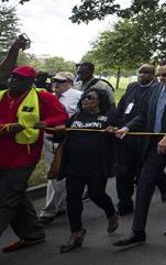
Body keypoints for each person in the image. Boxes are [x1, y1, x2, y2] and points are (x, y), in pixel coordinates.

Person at [113, 58, 166, 248]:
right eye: (158, 75)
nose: (161, 78)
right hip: (154, 145)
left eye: (165, 75)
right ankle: (138, 232)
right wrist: (128, 127)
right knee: (144, 184)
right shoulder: (155, 89)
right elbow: (144, 114)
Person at [0, 65, 69, 252]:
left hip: (23, 157)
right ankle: (33, 234)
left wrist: (46, 123)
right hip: (1, 156)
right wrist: (6, 127)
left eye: (19, 79)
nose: (13, 81)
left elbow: (61, 115)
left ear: (30, 82)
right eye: (12, 77)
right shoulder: (1, 96)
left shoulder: (42, 97)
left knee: (5, 199)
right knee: (16, 194)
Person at [55, 88, 121, 253]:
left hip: (97, 166)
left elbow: (121, 134)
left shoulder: (109, 116)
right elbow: (62, 136)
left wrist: (113, 131)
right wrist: (59, 131)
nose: (85, 100)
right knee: (73, 200)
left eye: (90, 97)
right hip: (73, 166)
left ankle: (111, 212)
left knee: (96, 194)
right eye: (84, 97)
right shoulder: (76, 117)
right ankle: (76, 232)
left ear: (100, 101)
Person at [115, 64, 166, 217]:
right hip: (126, 133)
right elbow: (122, 106)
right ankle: (124, 202)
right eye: (140, 72)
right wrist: (117, 123)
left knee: (144, 169)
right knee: (123, 170)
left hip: (145, 135)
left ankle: (164, 185)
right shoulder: (132, 87)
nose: (142, 75)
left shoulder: (157, 89)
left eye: (147, 73)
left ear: (153, 75)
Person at [38, 71, 81, 224]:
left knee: (56, 173)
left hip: (66, 138)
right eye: (54, 80)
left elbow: (77, 117)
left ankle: (49, 210)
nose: (55, 83)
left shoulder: (78, 96)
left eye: (60, 81)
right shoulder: (49, 96)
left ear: (70, 82)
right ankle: (60, 204)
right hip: (48, 137)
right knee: (55, 171)